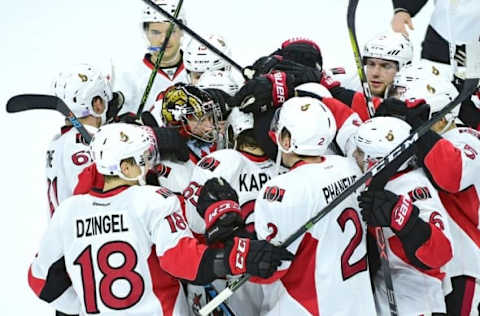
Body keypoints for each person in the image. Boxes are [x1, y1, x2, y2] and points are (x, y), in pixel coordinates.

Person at [28, 123, 293, 315]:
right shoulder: (152, 199)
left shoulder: (68, 211)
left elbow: (41, 282)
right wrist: (240, 256)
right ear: (126, 168)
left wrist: (86, 305)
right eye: (143, 159)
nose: (151, 165)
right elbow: (182, 260)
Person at [244, 96, 376, 315]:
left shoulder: (280, 190)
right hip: (358, 305)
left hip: (305, 307)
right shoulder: (350, 167)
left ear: (287, 140)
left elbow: (268, 270)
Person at [383, 64, 480, 315]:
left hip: (464, 267)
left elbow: (451, 175)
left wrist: (418, 127)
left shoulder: (466, 138)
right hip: (429, 270)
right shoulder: (413, 139)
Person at [354, 116, 453, 315]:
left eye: (360, 152)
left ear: (377, 160)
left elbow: (441, 253)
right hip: (388, 297)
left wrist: (403, 219)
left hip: (418, 305)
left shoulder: (413, 187)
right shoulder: (383, 183)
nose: (354, 156)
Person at [46, 63, 113, 218]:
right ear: (97, 104)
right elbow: (93, 191)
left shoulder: (58, 141)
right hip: (87, 236)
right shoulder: (80, 142)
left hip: (65, 236)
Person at [114, 0, 189, 116]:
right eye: (156, 32)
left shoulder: (199, 70)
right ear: (146, 34)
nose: (164, 39)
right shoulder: (130, 77)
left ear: (182, 32)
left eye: (171, 31)